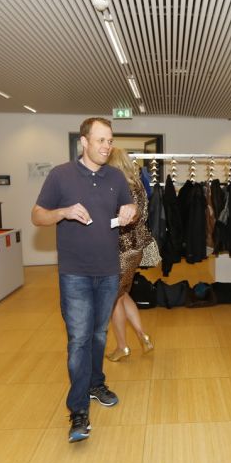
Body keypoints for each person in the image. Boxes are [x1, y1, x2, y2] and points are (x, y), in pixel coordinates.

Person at [31, 117, 137, 443]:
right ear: (84, 142)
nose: (107, 146)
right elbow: (37, 215)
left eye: (110, 140)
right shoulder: (60, 175)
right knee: (78, 339)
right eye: (100, 140)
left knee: (99, 334)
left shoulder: (115, 177)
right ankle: (78, 411)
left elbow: (128, 207)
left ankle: (95, 383)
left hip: (108, 271)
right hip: (74, 273)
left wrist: (130, 210)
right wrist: (62, 212)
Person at [104, 147, 155, 362]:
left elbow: (115, 221)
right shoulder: (139, 185)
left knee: (113, 299)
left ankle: (122, 347)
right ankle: (143, 336)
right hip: (136, 248)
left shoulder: (117, 188)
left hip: (121, 249)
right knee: (123, 294)